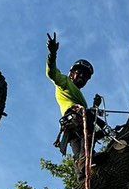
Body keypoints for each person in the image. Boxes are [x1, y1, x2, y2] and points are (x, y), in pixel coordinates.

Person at [46, 33, 123, 164]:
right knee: (85, 135)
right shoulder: (64, 82)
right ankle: (87, 159)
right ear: (71, 74)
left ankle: (84, 170)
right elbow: (52, 73)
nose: (82, 76)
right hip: (74, 118)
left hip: (74, 125)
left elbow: (90, 116)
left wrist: (96, 108)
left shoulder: (80, 98)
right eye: (79, 73)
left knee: (81, 153)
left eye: (86, 76)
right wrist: (52, 54)